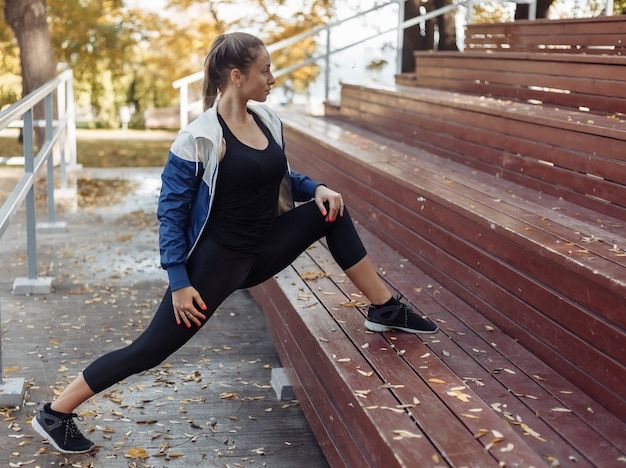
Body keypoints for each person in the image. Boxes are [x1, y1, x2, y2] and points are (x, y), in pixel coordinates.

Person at [31, 32, 438, 454]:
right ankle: (55, 413)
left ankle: (384, 307)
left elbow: (279, 178)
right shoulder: (200, 138)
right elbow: (170, 213)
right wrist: (178, 280)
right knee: (147, 351)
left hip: (263, 248)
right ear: (237, 76)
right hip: (214, 266)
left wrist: (315, 187)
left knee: (331, 209)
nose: (273, 79)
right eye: (265, 71)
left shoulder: (267, 121)